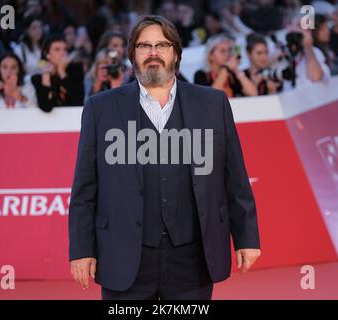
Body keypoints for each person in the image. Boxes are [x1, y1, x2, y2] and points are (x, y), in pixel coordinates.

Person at [68, 15, 261, 300]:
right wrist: (82, 249)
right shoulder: (101, 108)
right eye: (144, 46)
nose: (153, 53)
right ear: (133, 54)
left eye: (162, 45)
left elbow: (234, 179)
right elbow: (85, 188)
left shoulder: (212, 103)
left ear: (176, 53)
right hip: (124, 255)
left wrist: (246, 238)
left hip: (192, 258)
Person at [31, 34, 84, 112]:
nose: (62, 53)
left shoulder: (76, 70)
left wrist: (62, 72)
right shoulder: (37, 78)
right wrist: (46, 75)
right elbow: (46, 107)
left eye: (65, 49)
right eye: (57, 49)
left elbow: (78, 101)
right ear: (47, 54)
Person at [194, 34, 258, 97]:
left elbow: (254, 93)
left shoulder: (233, 75)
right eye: (222, 51)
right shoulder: (200, 75)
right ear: (211, 55)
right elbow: (211, 96)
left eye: (229, 50)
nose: (227, 54)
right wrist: (226, 69)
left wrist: (236, 70)